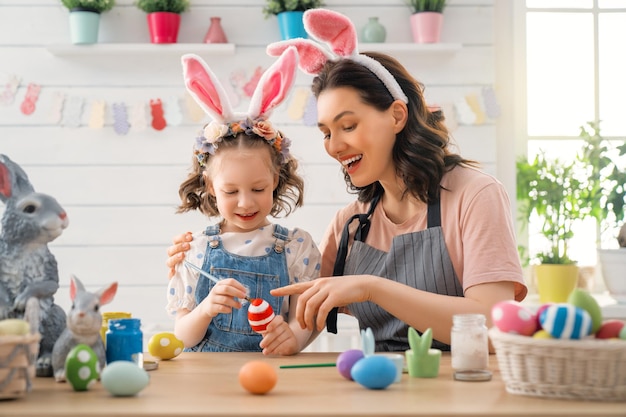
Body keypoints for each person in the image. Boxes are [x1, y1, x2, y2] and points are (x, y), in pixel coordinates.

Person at [167, 9, 527, 352]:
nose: (334, 146)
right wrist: (191, 262)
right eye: (326, 132)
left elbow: (494, 326)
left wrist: (372, 288)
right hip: (381, 388)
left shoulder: (473, 195)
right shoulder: (351, 224)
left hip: (463, 388)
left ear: (397, 116)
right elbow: (306, 308)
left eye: (348, 126)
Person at [166, 47, 321, 355]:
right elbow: (182, 337)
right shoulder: (194, 249)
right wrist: (206, 309)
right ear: (211, 187)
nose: (246, 203)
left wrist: (293, 338)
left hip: (272, 380)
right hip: (208, 387)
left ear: (275, 181)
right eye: (231, 191)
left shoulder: (296, 247)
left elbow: (307, 318)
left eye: (259, 188)